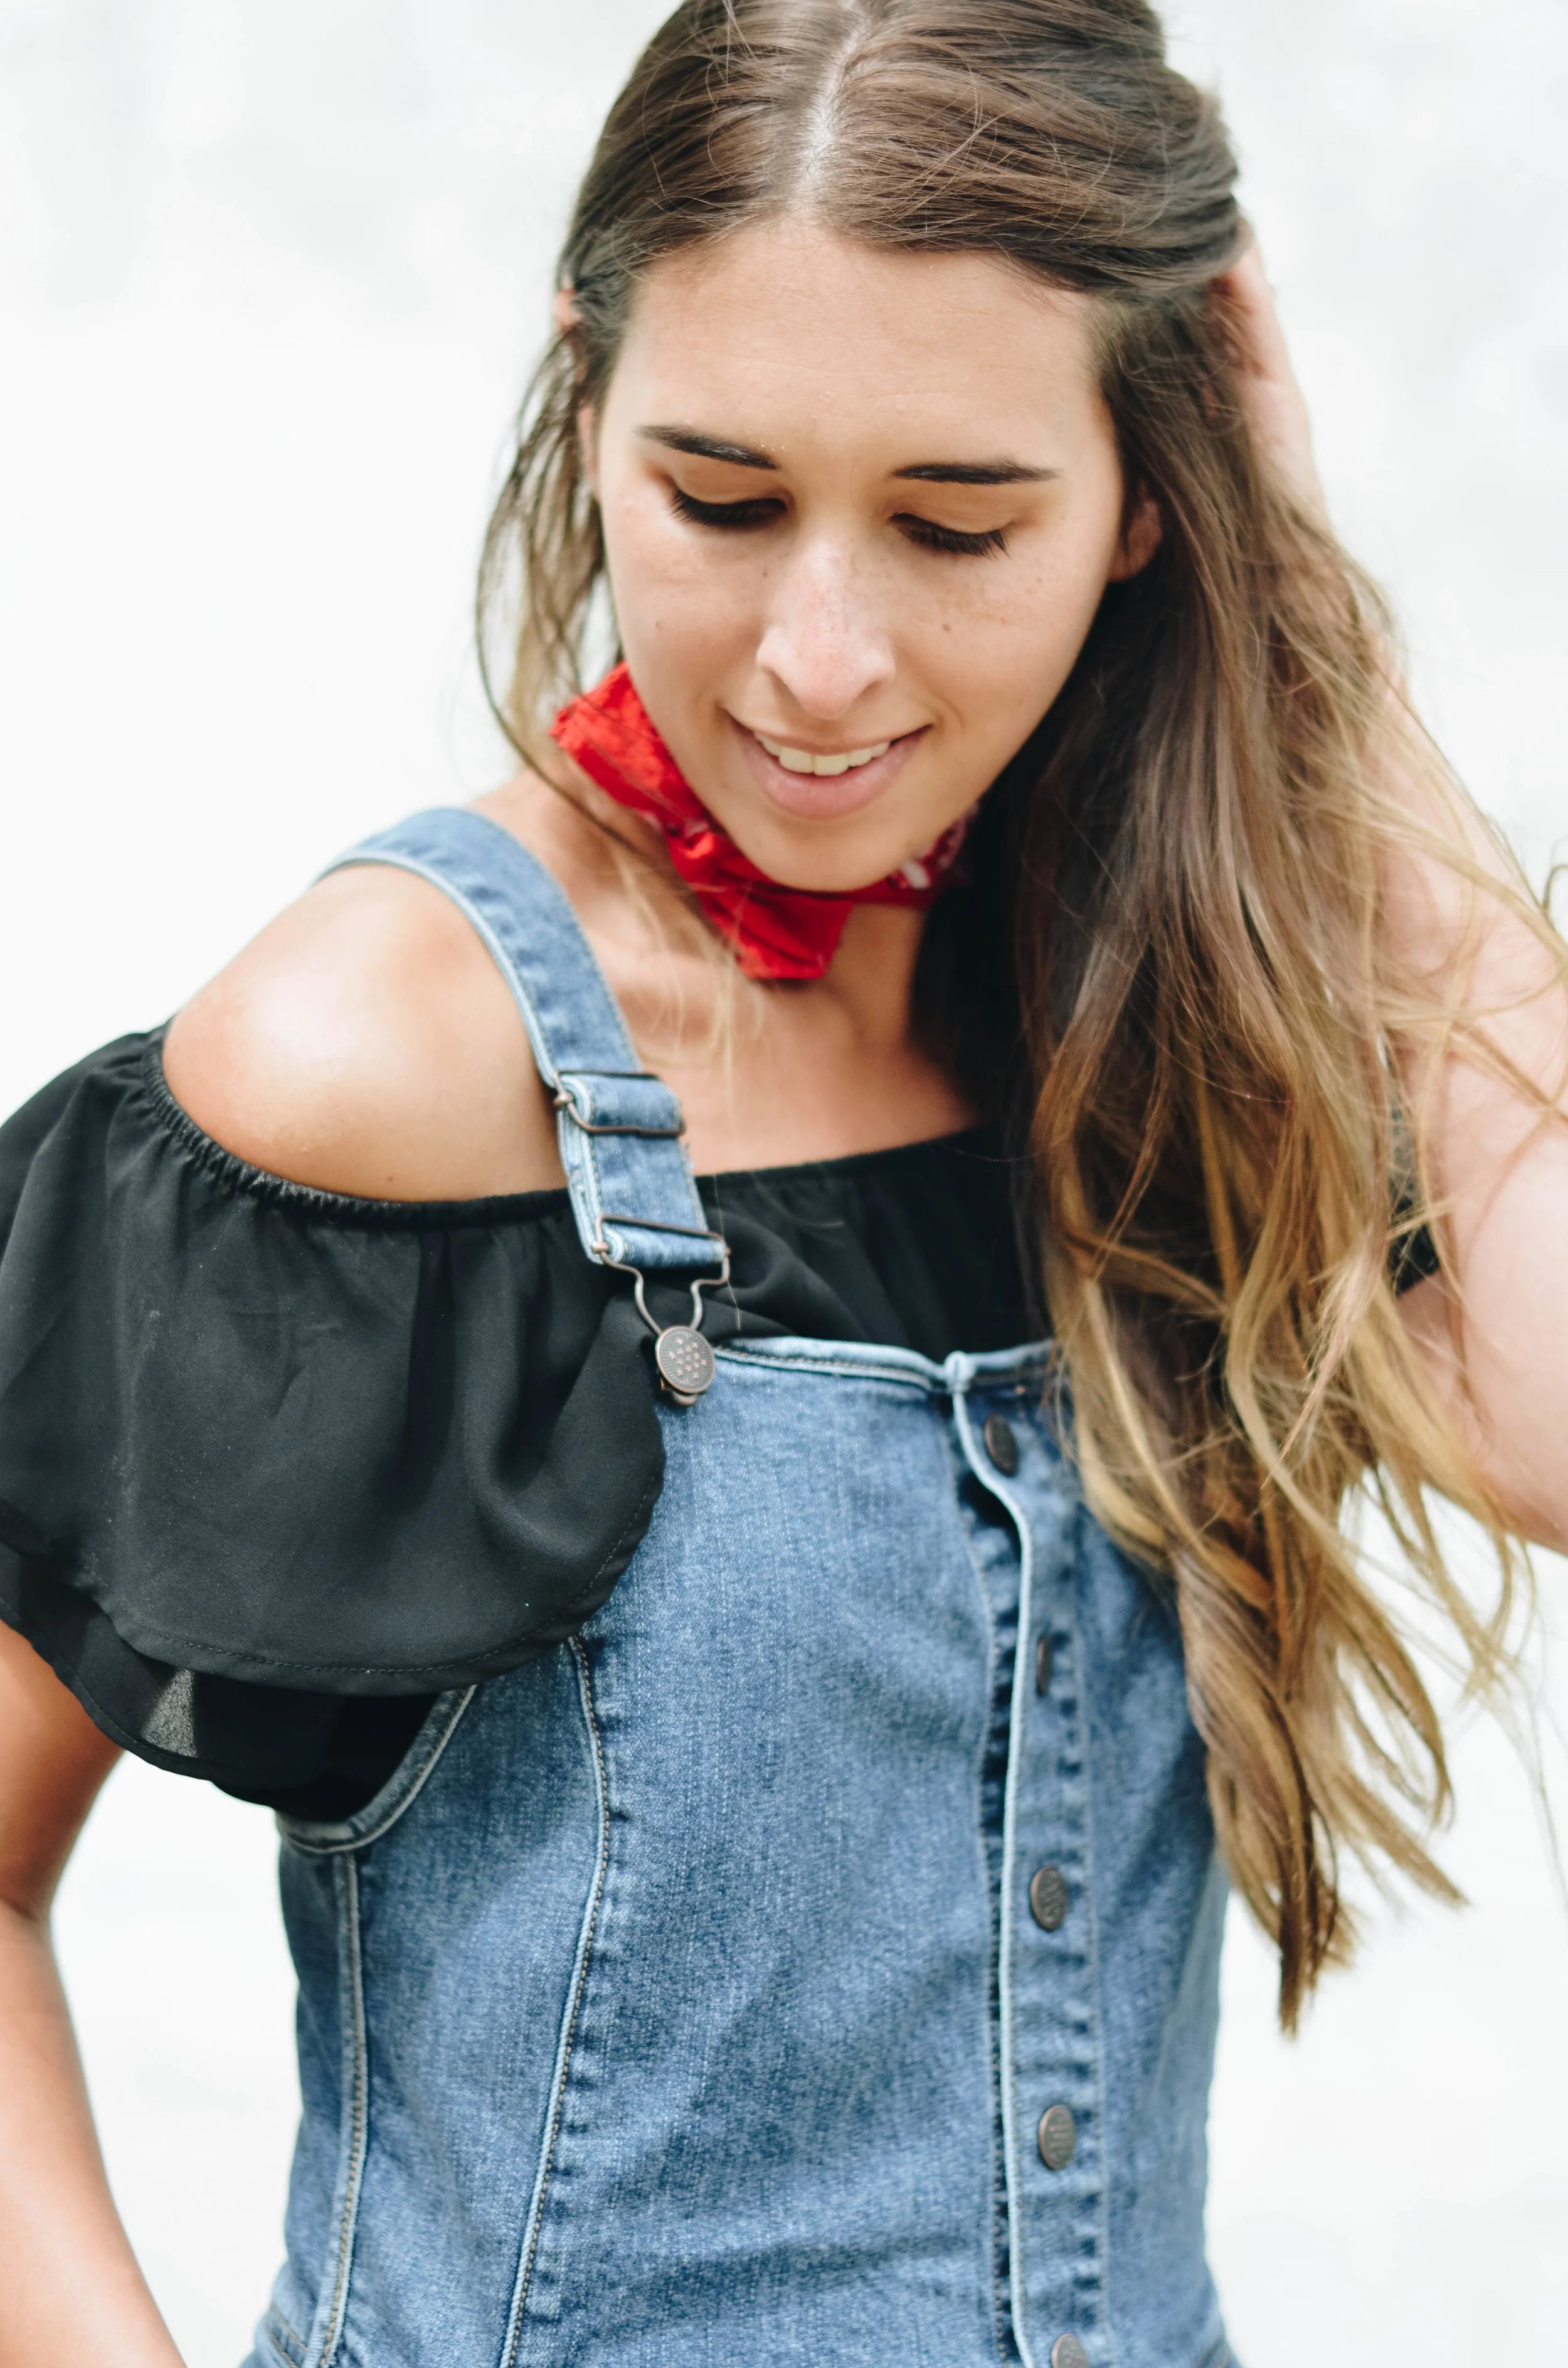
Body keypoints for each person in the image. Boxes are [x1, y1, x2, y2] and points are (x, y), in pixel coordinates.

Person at [1, 2, 1563, 2362]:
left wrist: (1309, 637)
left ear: (1149, 498)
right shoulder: (379, 1062)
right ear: (587, 409)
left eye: (958, 523)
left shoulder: (1144, 1012)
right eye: (718, 501)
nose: (819, 663)